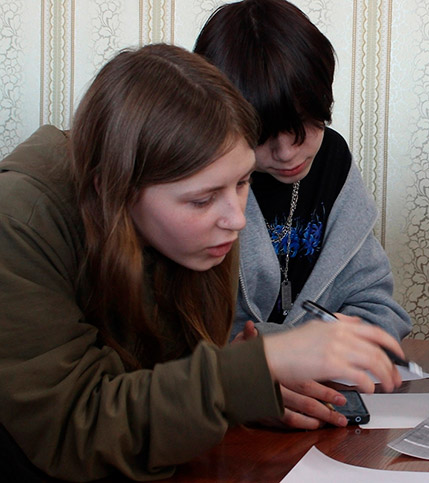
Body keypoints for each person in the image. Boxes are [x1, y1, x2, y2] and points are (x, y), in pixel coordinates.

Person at [0, 44, 404, 481]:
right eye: (202, 200)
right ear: (113, 190)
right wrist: (251, 370)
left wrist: (242, 392)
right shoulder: (18, 223)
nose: (236, 219)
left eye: (243, 182)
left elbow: (169, 376)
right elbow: (75, 431)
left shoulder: (204, 230)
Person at [193, 0, 411, 342]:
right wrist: (277, 351)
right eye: (260, 136)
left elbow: (377, 308)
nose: (286, 153)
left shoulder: (333, 160)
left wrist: (321, 349)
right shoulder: (197, 180)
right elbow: (184, 331)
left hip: (324, 371)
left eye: (304, 125)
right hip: (231, 373)